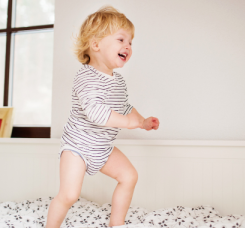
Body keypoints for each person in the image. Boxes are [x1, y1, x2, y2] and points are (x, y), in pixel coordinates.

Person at [45, 5, 160, 228]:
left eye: (130, 42)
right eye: (121, 39)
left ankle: (116, 224)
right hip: (77, 146)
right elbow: (96, 113)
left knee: (129, 176)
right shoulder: (85, 77)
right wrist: (128, 123)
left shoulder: (118, 82)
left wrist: (142, 121)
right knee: (69, 195)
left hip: (102, 147)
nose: (127, 46)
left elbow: (125, 107)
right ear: (96, 44)